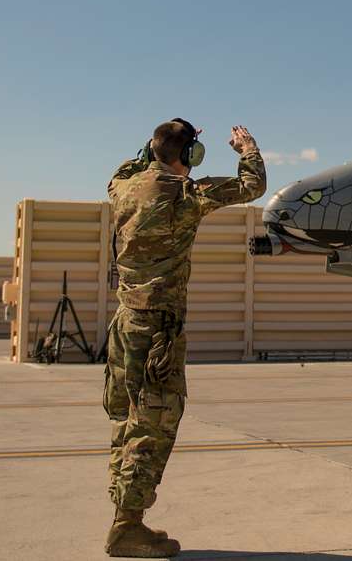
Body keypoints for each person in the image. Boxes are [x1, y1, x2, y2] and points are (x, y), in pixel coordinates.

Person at [103, 118, 266, 557]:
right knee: (152, 426)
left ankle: (126, 518)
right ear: (191, 156)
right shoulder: (186, 195)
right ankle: (127, 527)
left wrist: (154, 151)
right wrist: (247, 148)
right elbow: (252, 186)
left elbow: (123, 171)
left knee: (125, 422)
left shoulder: (123, 187)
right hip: (159, 330)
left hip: (124, 325)